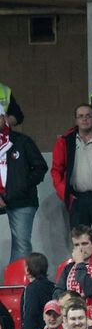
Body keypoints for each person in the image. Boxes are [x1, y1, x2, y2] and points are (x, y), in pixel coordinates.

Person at [0, 107, 47, 261]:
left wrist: (21, 186)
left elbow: (40, 167)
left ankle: (18, 283)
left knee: (21, 243)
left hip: (23, 200)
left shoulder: (22, 141)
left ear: (4, 118)